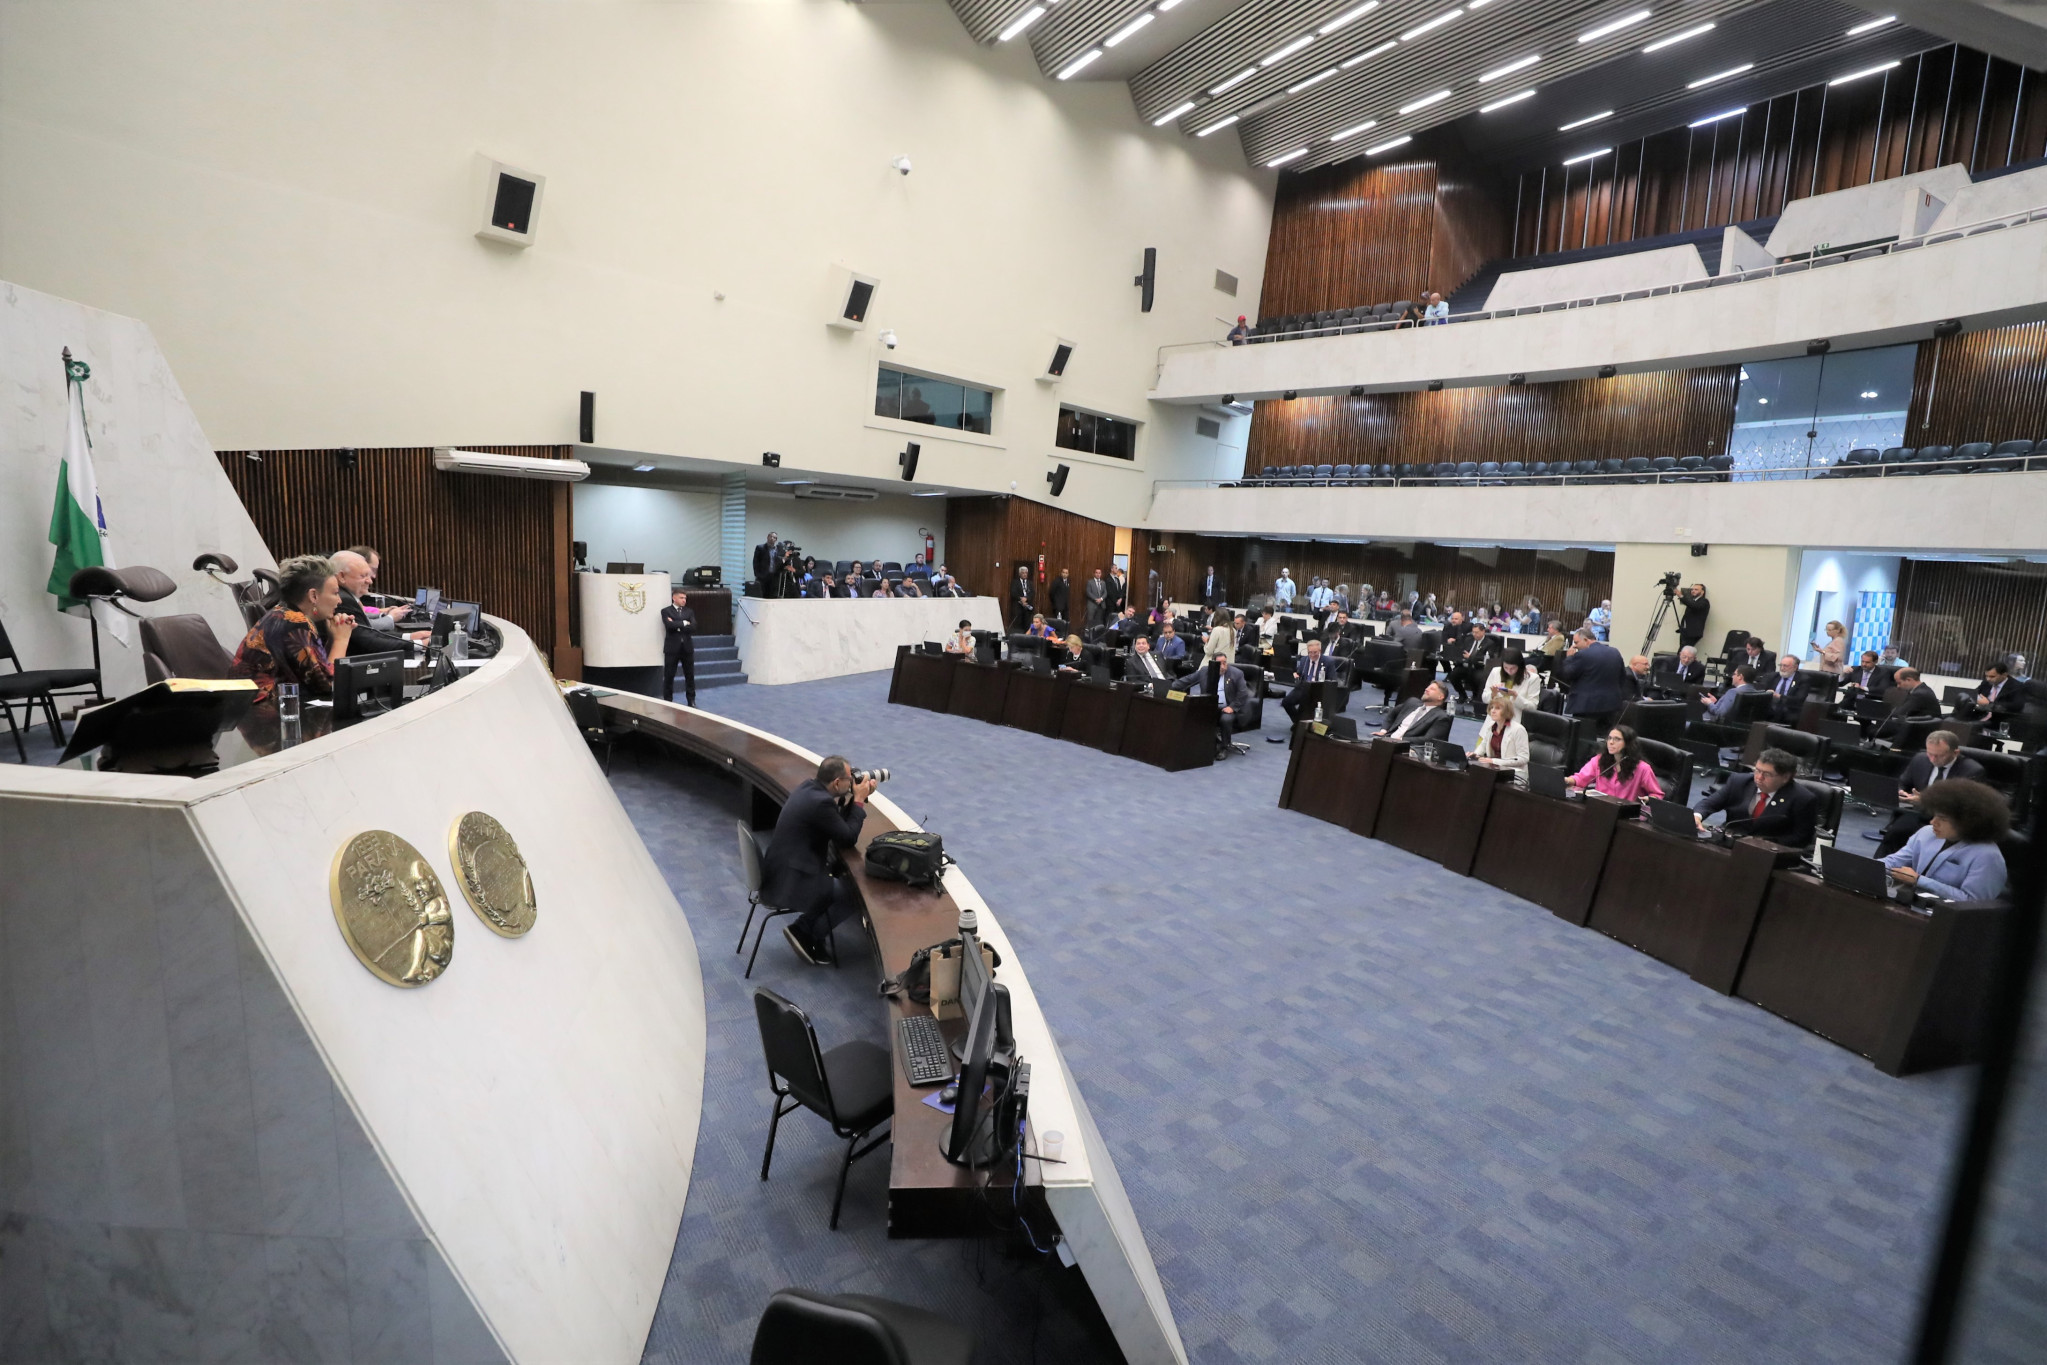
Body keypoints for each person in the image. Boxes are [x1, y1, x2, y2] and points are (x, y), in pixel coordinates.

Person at [764, 755, 876, 965]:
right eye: (848, 778)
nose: (851, 781)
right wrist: (859, 801)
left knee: (840, 876)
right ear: (836, 783)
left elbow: (836, 825)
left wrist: (853, 799)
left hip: (782, 867)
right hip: (792, 879)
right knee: (853, 894)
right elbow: (847, 838)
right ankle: (806, 933)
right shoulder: (821, 804)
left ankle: (804, 927)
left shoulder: (809, 789)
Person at [232, 554, 352, 704]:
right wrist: (342, 639)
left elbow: (318, 669)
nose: (339, 600)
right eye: (335, 593)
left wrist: (333, 638)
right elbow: (329, 685)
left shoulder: (282, 614)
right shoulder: (296, 623)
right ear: (313, 595)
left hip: (252, 708)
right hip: (262, 714)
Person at [1883, 779, 2010, 901]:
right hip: (1912, 902)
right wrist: (1871, 867)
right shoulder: (1926, 833)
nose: (1933, 822)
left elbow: (1973, 902)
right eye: (1934, 815)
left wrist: (1919, 880)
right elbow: (1895, 861)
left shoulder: (1987, 856)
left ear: (1967, 823)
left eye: (1942, 819)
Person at [1875, 729, 1987, 855]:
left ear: (1955, 752)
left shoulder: (1971, 771)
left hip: (1948, 819)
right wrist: (1900, 792)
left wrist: (1926, 800)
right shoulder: (1920, 759)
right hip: (1918, 813)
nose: (1933, 759)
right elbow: (1903, 782)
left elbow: (1963, 804)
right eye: (1930, 753)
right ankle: (1880, 867)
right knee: (1894, 834)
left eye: (1939, 755)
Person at [1693, 747, 1818, 848]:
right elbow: (1709, 803)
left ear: (1786, 777)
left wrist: (1762, 842)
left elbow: (1801, 838)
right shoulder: (1739, 782)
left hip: (1768, 856)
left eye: (1767, 774)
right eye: (1757, 770)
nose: (1759, 777)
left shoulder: (1803, 799)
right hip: (1728, 845)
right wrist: (1697, 816)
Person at [1557, 627, 1627, 737]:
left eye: (1576, 642)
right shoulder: (1615, 652)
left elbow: (1567, 674)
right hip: (1611, 705)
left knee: (1585, 740)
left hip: (1586, 706)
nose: (1574, 646)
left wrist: (1569, 658)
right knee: (1605, 739)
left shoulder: (1583, 655)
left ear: (1586, 640)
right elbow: (1622, 676)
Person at [1180, 650, 1250, 757]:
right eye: (1219, 663)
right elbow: (1187, 680)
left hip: (1228, 708)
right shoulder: (1205, 671)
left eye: (1224, 663)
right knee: (1191, 713)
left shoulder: (1236, 673)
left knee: (1225, 720)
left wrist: (1232, 707)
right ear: (1213, 664)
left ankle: (1224, 747)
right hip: (1209, 706)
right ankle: (1205, 743)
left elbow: (1243, 693)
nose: (1223, 666)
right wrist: (1170, 686)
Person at [1571, 724, 1664, 801]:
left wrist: (1648, 799)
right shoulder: (1599, 760)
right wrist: (1567, 780)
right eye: (1609, 738)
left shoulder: (1642, 768)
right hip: (1601, 808)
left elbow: (1657, 795)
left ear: (1628, 743)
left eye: (1617, 739)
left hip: (1626, 815)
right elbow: (1581, 778)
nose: (1611, 742)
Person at [1875, 667, 1942, 742]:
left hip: (1916, 732)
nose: (1898, 686)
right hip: (1916, 727)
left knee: (1874, 730)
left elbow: (1898, 713)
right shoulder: (1923, 689)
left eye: (1899, 683)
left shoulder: (1919, 694)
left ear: (1908, 680)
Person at [1375, 681, 1454, 743]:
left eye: (1432, 689)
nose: (1426, 689)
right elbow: (1392, 713)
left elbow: (1428, 739)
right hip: (1387, 739)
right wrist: (1383, 731)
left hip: (1406, 747)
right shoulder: (1412, 702)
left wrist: (1401, 740)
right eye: (1427, 687)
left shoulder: (1441, 717)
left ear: (1440, 697)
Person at [1469, 695, 1530, 773]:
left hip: (1513, 772)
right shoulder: (1491, 726)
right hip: (1493, 769)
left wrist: (1494, 761)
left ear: (1507, 711)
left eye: (1497, 708)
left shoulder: (1518, 729)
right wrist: (1474, 755)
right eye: (1492, 707)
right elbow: (1483, 745)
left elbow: (1523, 758)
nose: (1493, 711)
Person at [1953, 660, 2023, 727]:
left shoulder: (2016, 686)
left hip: (1998, 720)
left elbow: (2016, 706)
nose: (1988, 679)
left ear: (2004, 675)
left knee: (1964, 725)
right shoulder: (1986, 683)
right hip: (1979, 715)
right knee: (1949, 720)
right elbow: (1974, 694)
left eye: (1992, 676)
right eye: (1986, 676)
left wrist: (1989, 704)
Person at [1445, 622, 1499, 710]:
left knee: (1477, 677)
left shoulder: (1490, 643)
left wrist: (1471, 657)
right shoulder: (1468, 639)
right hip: (1466, 666)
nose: (1474, 634)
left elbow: (1486, 658)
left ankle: (1476, 697)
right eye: (1473, 632)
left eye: (1477, 632)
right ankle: (1462, 695)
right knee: (1453, 675)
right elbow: (1462, 650)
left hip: (1479, 667)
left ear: (1483, 632)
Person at [1280, 638, 1330, 729]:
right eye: (1310, 652)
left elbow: (1332, 679)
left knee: (1306, 705)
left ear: (1320, 651)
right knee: (1286, 702)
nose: (1312, 655)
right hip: (1303, 687)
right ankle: (1299, 723)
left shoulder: (1328, 662)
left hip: (1319, 689)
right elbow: (1299, 673)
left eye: (1315, 652)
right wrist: (1295, 674)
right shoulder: (1304, 660)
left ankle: (1300, 725)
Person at [661, 587, 698, 706]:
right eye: (681, 598)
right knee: (669, 675)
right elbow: (669, 625)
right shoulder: (666, 611)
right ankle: (668, 700)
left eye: (685, 598)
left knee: (690, 675)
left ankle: (691, 700)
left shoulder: (689, 611)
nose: (684, 600)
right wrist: (684, 623)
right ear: (674, 598)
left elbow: (693, 627)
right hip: (672, 648)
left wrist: (676, 624)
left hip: (687, 648)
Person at [1764, 654, 1811, 722]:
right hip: (1771, 707)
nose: (1782, 668)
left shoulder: (1803, 680)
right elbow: (1762, 690)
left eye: (1785, 666)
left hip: (1789, 709)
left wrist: (1779, 696)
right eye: (1781, 665)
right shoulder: (1773, 676)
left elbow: (1799, 700)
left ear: (1795, 667)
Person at [1676, 583, 1711, 651]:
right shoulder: (1693, 601)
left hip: (1693, 633)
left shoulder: (1704, 601)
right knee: (1683, 651)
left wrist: (1680, 595)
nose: (1693, 591)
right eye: (1692, 589)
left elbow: (1694, 606)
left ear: (1702, 592)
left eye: (1696, 589)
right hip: (1685, 632)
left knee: (1683, 652)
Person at [1008, 565, 1034, 632]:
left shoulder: (1030, 583)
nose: (1024, 574)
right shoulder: (1015, 582)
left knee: (1027, 622)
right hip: (1018, 605)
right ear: (1019, 574)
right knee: (1018, 622)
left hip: (1027, 605)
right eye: (1023, 573)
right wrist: (1021, 599)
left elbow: (1032, 593)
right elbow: (1013, 593)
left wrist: (1026, 598)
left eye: (1026, 573)